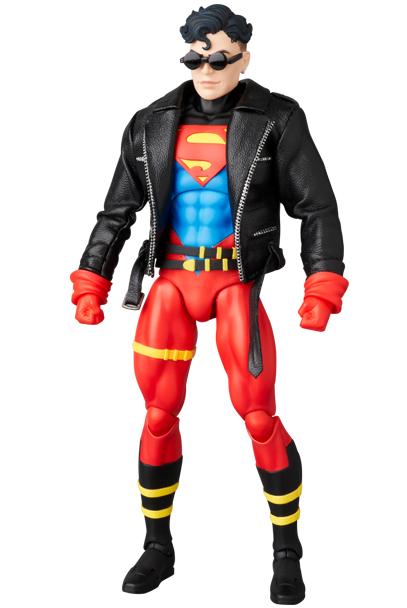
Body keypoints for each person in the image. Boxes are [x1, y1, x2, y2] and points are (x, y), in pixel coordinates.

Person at [70, 4, 348, 604]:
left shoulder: (276, 118)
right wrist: (91, 277)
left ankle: (286, 548)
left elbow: (316, 205)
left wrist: (322, 282)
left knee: (258, 415)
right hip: (171, 283)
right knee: (157, 414)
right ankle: (157, 546)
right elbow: (117, 211)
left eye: (220, 59)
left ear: (244, 57)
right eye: (196, 59)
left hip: (235, 284)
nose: (207, 70)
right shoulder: (151, 122)